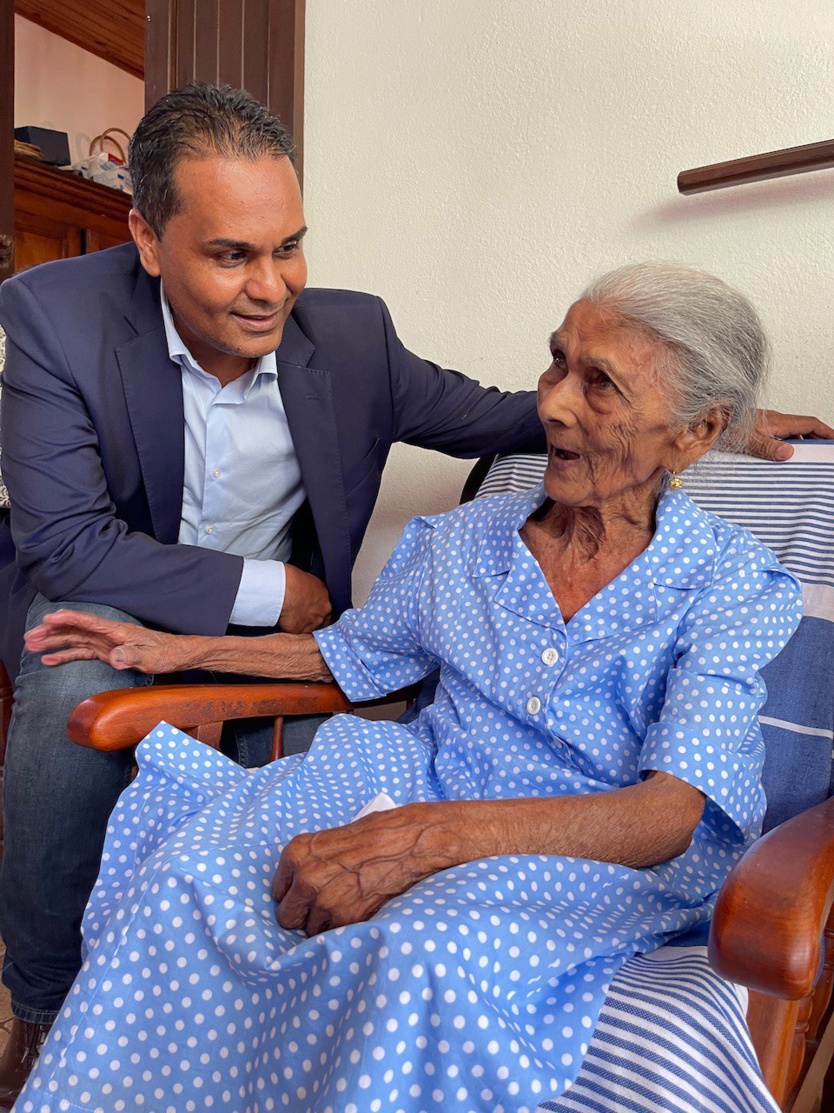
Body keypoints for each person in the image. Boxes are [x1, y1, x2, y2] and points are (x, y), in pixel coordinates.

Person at [16, 263, 803, 1113]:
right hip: (425, 773)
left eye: (601, 384)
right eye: (556, 363)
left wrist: (423, 839)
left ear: (697, 433)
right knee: (193, 871)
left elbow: (666, 815)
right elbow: (351, 656)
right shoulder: (462, 540)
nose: (553, 405)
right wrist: (173, 648)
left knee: (415, 953)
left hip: (588, 843)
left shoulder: (731, 584)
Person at [0, 82, 558, 1102]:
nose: (272, 286)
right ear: (148, 237)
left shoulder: (352, 338)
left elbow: (505, 417)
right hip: (111, 592)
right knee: (68, 681)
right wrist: (278, 591)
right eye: (231, 255)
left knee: (329, 792)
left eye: (288, 245)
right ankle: (41, 1006)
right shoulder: (52, 316)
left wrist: (694, 412)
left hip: (270, 650)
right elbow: (67, 543)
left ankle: (233, 1023)